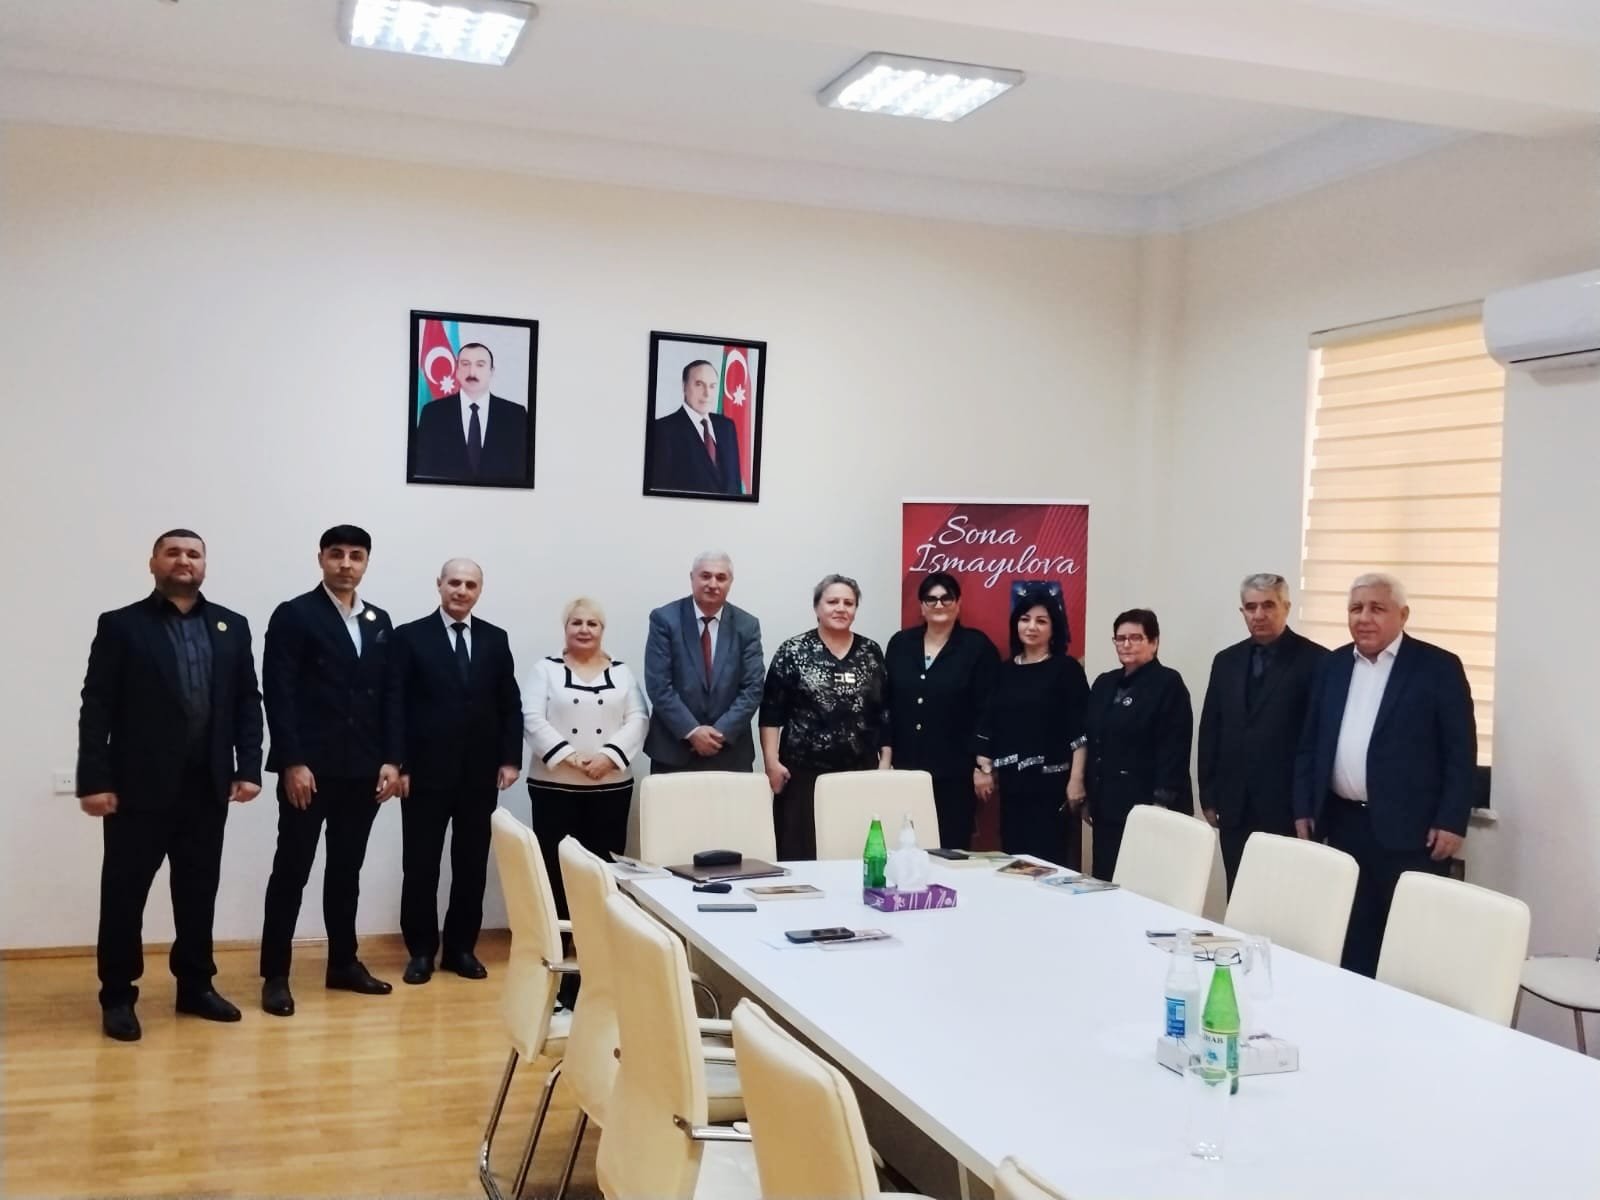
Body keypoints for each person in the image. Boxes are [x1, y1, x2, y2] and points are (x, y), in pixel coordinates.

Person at [74, 530, 263, 1042]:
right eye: (173, 552)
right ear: (153, 562)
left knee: (198, 892)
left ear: (205, 565)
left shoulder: (231, 626)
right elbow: (97, 707)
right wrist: (94, 779)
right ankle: (118, 995)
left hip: (207, 787)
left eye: (193, 553)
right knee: (124, 895)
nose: (184, 560)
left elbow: (247, 701)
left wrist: (248, 767)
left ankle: (196, 987)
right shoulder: (121, 626)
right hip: (137, 789)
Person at [1294, 573, 1476, 977]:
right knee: (1349, 940)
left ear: (1403, 614)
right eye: (1356, 609)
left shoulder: (1438, 667)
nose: (1364, 618)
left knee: (1407, 947)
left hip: (1412, 833)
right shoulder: (1332, 666)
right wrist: (1304, 806)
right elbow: (1310, 743)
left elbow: (1460, 752)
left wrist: (1452, 819)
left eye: (1377, 608)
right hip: (1342, 825)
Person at [259, 525, 402, 1016]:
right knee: (292, 870)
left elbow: (389, 694)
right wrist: (292, 761)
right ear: (321, 558)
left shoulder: (378, 619)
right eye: (336, 554)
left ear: (366, 563)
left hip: (362, 769)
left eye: (355, 555)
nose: (346, 563)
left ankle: (343, 963)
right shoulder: (295, 614)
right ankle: (275, 975)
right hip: (310, 770)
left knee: (346, 871)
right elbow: (278, 692)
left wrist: (392, 758)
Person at [389, 558, 523, 986]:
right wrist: (400, 763)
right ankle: (421, 951)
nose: (461, 591)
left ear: (479, 590)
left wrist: (509, 759)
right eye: (454, 583)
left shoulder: (495, 639)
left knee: (471, 865)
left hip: (479, 775)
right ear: (440, 585)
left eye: (470, 584)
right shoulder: (409, 636)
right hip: (423, 774)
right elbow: (395, 704)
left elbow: (509, 703)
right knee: (420, 866)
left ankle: (461, 949)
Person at [522, 598, 648, 978]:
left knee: (603, 868)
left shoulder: (622, 672)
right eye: (576, 622)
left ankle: (599, 947)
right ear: (565, 628)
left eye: (592, 623)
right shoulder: (545, 670)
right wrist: (570, 756)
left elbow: (638, 719)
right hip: (554, 787)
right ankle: (558, 948)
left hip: (610, 788)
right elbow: (531, 717)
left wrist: (609, 756)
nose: (584, 629)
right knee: (555, 867)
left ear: (602, 630)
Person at [1198, 573, 1328, 891]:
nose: (1259, 614)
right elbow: (1211, 730)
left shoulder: (1317, 661)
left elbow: (1320, 740)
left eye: (1268, 605)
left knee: (1284, 896)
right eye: (1250, 607)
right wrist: (1208, 794)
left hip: (1287, 809)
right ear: (1242, 611)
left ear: (1286, 607)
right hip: (1234, 805)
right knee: (1238, 892)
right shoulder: (1226, 661)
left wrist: (1312, 807)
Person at [759, 575, 889, 860]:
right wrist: (771, 762)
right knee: (801, 854)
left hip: (859, 773)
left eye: (848, 603)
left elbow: (883, 711)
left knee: (852, 851)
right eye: (832, 602)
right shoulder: (793, 651)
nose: (841, 608)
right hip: (803, 774)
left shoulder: (871, 652)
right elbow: (771, 712)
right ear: (817, 607)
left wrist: (886, 761)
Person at [972, 584, 1090, 867]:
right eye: (1025, 619)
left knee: (1050, 864)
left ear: (1054, 627)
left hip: (1053, 788)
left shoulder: (1066, 669)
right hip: (1012, 787)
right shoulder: (1003, 671)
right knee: (1015, 862)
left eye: (1041, 621)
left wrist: (1076, 780)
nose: (1032, 627)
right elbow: (988, 722)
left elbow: (1081, 732)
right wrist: (983, 769)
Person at [883, 572, 1000, 850]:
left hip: (956, 771)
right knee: (904, 845)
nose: (939, 604)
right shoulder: (900, 644)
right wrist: (885, 757)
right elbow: (885, 702)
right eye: (931, 599)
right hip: (905, 767)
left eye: (946, 598)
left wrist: (982, 765)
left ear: (958, 604)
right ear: (921, 606)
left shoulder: (977, 647)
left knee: (950, 847)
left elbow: (990, 707)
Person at [1084, 608, 1194, 881]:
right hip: (1107, 804)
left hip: (1149, 806)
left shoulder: (1168, 683)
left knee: (1145, 882)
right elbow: (1092, 739)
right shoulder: (1105, 683)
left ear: (1154, 642)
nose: (1126, 644)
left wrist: (1161, 802)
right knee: (1107, 879)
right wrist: (1088, 794)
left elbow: (1174, 746)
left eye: (1135, 638)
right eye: (1120, 638)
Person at [643, 551, 765, 773]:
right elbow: (659, 685)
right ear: (692, 577)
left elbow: (753, 688)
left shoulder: (747, 625)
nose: (713, 584)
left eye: (721, 577)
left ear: (730, 582)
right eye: (705, 576)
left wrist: (720, 732)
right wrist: (692, 731)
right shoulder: (664, 619)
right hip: (674, 750)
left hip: (729, 752)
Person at [413, 341, 530, 484]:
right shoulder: (432, 413)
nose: (472, 373)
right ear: (457, 370)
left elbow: (522, 469)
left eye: (480, 365)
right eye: (465, 364)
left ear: (491, 371)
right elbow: (422, 468)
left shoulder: (516, 415)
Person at [647, 359, 742, 495]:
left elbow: (735, 484)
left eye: (712, 386)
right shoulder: (663, 430)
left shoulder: (727, 427)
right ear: (684, 386)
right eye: (699, 384)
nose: (707, 394)